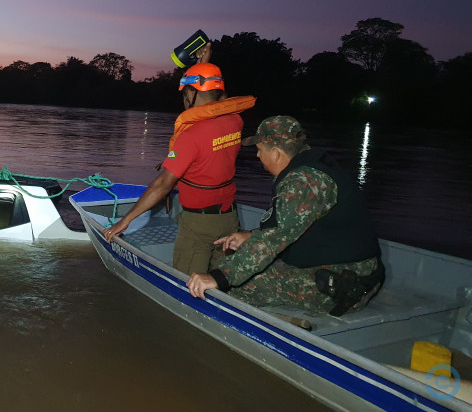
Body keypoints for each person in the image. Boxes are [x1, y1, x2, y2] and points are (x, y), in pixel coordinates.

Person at [186, 116, 383, 316]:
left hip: (343, 284)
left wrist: (218, 278)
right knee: (236, 261)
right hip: (348, 268)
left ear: (276, 153)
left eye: (260, 149)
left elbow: (272, 241)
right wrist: (252, 235)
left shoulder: (302, 182)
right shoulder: (313, 164)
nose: (257, 155)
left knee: (234, 285)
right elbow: (289, 223)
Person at [104, 45, 256, 275]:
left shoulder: (191, 136)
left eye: (185, 93)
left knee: (187, 281)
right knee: (220, 276)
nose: (184, 99)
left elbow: (162, 184)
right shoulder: (235, 121)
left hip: (199, 224)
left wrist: (126, 220)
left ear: (191, 94)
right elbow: (219, 101)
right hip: (228, 218)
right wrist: (204, 65)